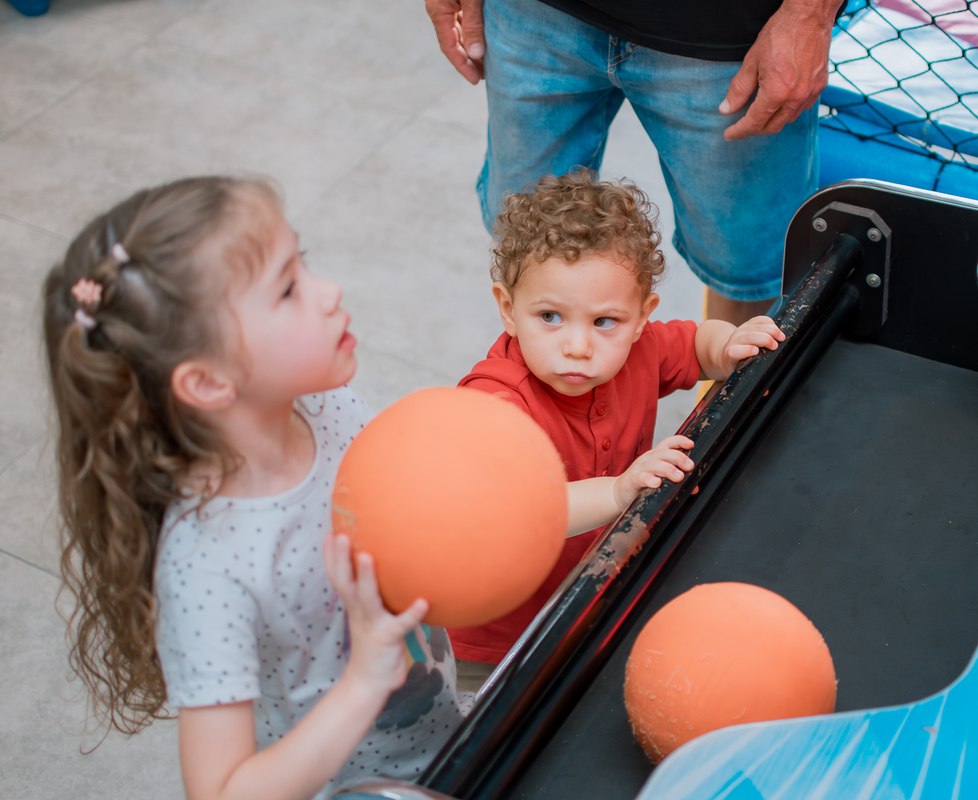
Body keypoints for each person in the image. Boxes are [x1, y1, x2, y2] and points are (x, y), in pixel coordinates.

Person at [44, 176, 463, 800]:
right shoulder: (207, 567)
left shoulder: (326, 404)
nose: (329, 292)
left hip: (449, 741)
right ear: (209, 383)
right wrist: (365, 679)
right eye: (289, 289)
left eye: (305, 264)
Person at [448, 171, 786, 690]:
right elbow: (520, 512)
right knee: (486, 734)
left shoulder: (640, 349)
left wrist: (729, 345)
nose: (578, 346)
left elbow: (696, 344)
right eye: (550, 316)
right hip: (500, 634)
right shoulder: (495, 403)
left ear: (640, 317)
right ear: (508, 309)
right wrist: (619, 490)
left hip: (589, 591)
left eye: (604, 321)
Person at [425, 0, 842, 327]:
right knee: (522, 237)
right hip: (532, 13)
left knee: (748, 275)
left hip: (729, 33)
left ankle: (729, 428)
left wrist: (809, 14)